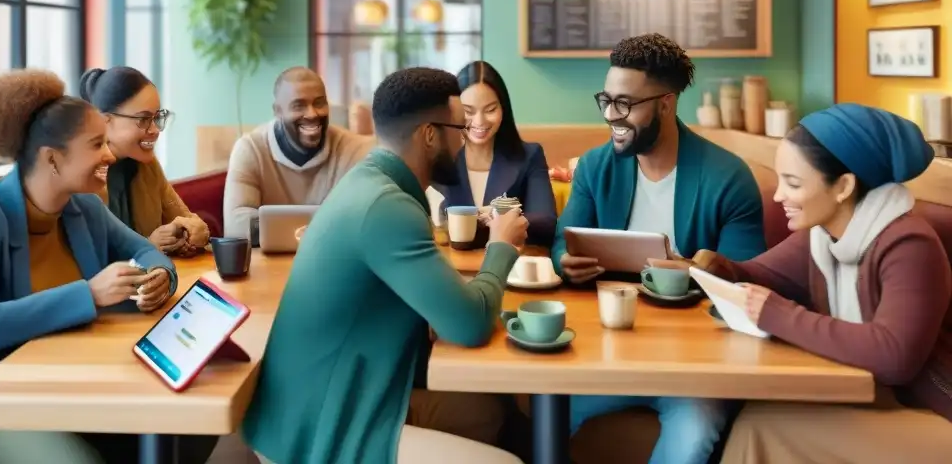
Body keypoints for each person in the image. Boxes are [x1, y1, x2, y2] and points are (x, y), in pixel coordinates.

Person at [241, 68, 528, 464]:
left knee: (488, 412)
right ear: (430, 135)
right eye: (459, 130)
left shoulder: (370, 183)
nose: (464, 143)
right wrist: (501, 247)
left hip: (321, 404)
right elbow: (470, 325)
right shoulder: (387, 207)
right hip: (319, 433)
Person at [0, 70, 181, 464]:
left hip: (56, 377)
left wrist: (160, 275)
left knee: (179, 433)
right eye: (97, 144)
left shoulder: (85, 207)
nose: (110, 155)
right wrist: (90, 294)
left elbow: (146, 252)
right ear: (52, 158)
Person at [696, 104, 952, 463]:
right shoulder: (822, 237)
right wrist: (707, 265)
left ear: (843, 186)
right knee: (758, 418)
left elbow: (895, 357)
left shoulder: (909, 246)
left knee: (762, 427)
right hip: (876, 399)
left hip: (935, 416)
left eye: (794, 183)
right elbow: (754, 275)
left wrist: (779, 315)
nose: (778, 195)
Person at [554, 34, 766, 464]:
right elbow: (563, 241)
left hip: (696, 362)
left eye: (626, 104)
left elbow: (750, 278)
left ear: (666, 104)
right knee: (546, 414)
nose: (612, 116)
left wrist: (705, 269)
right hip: (606, 345)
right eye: (606, 100)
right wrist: (565, 262)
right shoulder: (595, 167)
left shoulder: (728, 177)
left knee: (695, 431)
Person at [222, 67, 373, 238]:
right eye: (298, 105)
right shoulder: (251, 149)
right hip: (268, 262)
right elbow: (236, 227)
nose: (312, 114)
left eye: (319, 103)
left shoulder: (353, 149)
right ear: (277, 111)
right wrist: (323, 228)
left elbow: (369, 220)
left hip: (331, 262)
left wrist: (277, 228)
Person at [80, 67, 210, 255]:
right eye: (143, 119)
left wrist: (193, 234)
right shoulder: (80, 176)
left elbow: (186, 220)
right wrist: (147, 246)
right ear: (104, 121)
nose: (156, 130)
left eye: (157, 117)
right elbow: (89, 263)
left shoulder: (147, 166)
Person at [433, 61, 557, 247]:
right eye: (468, 111)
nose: (479, 121)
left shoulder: (529, 155)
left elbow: (546, 222)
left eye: (490, 110)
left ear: (503, 109)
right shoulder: (439, 158)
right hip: (450, 267)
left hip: (511, 267)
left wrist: (496, 216)